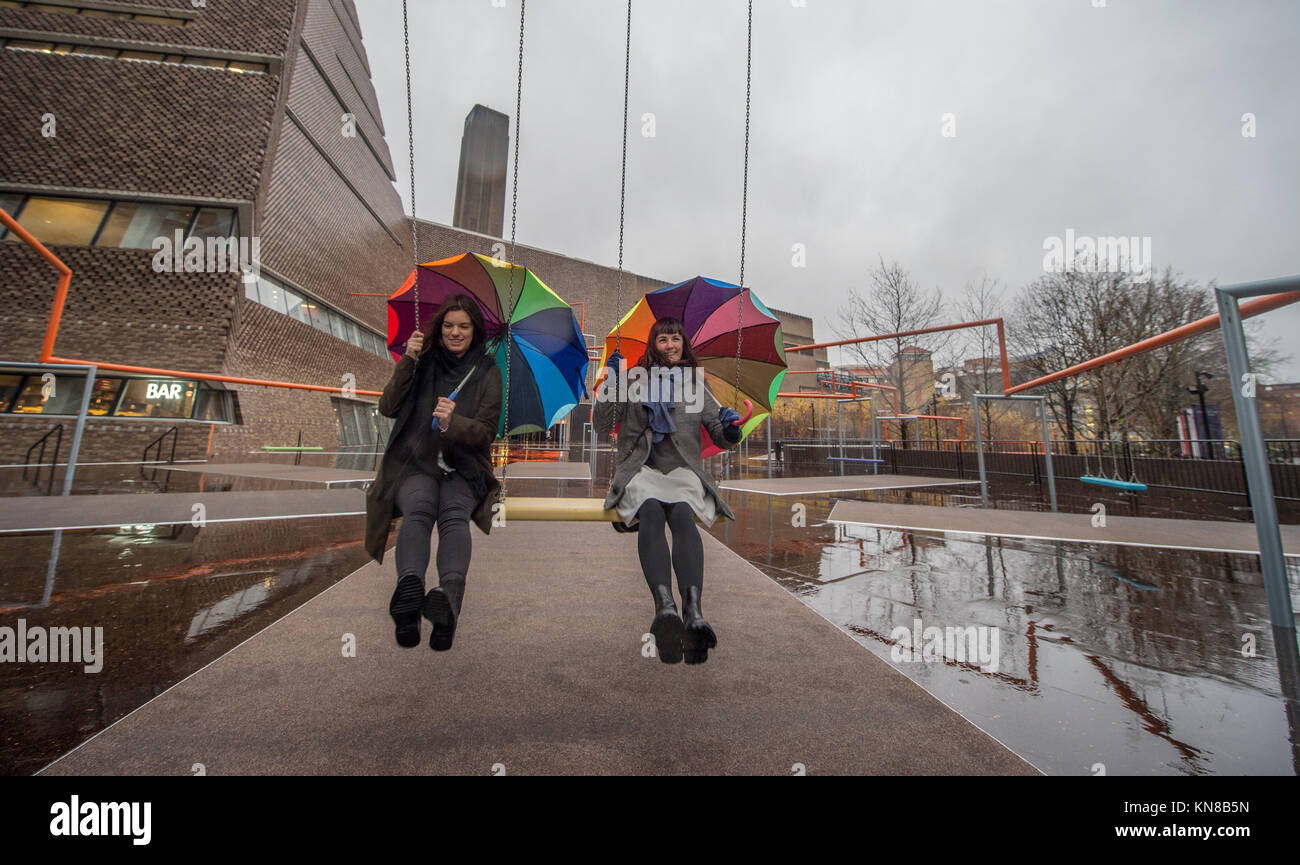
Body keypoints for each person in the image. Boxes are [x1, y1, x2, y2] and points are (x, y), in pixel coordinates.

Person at [593, 317, 744, 665]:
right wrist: (610, 383)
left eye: (676, 338)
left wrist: (731, 429)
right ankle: (665, 609)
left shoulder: (695, 384)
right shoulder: (633, 380)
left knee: (680, 514)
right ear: (653, 345)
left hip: (681, 470)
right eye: (663, 339)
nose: (671, 345)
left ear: (684, 344)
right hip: (642, 469)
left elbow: (718, 432)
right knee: (650, 510)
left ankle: (694, 614)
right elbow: (602, 424)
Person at [363, 294, 503, 651]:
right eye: (448, 325)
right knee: (419, 510)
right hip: (417, 463)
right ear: (439, 327)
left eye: (463, 326)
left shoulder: (488, 371)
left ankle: (446, 600)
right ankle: (410, 596)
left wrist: (452, 422)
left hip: (464, 467)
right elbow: (388, 406)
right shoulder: (422, 361)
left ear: (475, 331)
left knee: (454, 514)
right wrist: (408, 359)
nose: (455, 332)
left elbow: (486, 431)